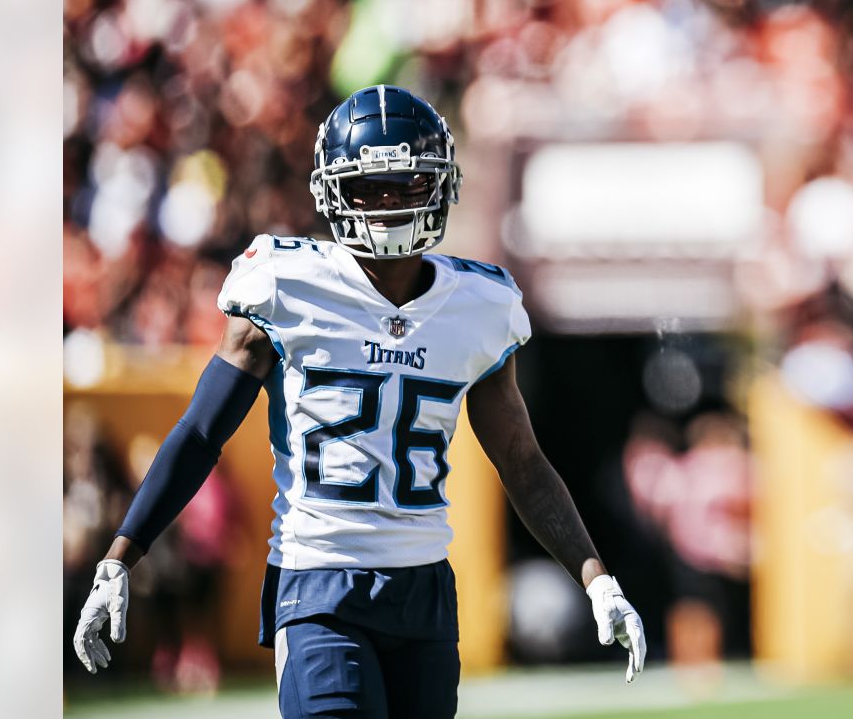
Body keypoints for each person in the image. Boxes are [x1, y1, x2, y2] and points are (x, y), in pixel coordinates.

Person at [71, 85, 646, 718]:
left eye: (407, 185)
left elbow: (523, 462)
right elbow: (202, 432)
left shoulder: (480, 307)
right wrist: (120, 557)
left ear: (442, 186)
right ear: (333, 194)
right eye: (371, 187)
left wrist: (597, 578)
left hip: (424, 586)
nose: (391, 203)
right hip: (318, 581)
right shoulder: (286, 286)